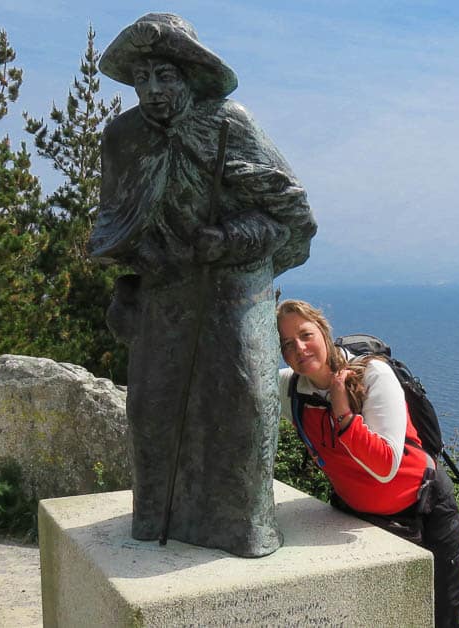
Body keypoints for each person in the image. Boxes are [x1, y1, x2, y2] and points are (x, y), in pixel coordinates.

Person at [90, 13, 316, 557]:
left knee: (244, 401)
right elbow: (112, 222)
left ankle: (244, 526)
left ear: (190, 75)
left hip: (235, 285)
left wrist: (230, 238)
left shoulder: (230, 125)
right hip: (164, 287)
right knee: (154, 407)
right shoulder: (122, 138)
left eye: (164, 76)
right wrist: (134, 268)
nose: (151, 90)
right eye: (141, 78)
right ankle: (159, 514)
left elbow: (287, 218)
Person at [276, 299, 459, 627]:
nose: (300, 348)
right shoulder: (290, 387)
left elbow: (385, 466)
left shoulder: (372, 374)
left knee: (440, 620)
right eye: (288, 343)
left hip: (425, 513)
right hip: (355, 516)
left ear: (324, 332)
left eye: (306, 335)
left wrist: (344, 415)